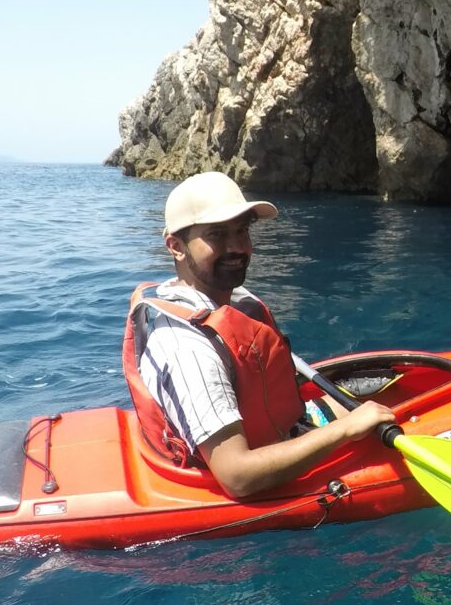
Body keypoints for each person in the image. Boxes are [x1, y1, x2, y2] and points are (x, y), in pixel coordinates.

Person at [122, 171, 395, 499]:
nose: (237, 246)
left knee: (398, 391)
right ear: (176, 246)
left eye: (242, 230)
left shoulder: (224, 299)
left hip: (273, 429)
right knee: (371, 417)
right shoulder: (187, 349)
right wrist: (346, 430)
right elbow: (237, 477)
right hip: (243, 467)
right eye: (217, 235)